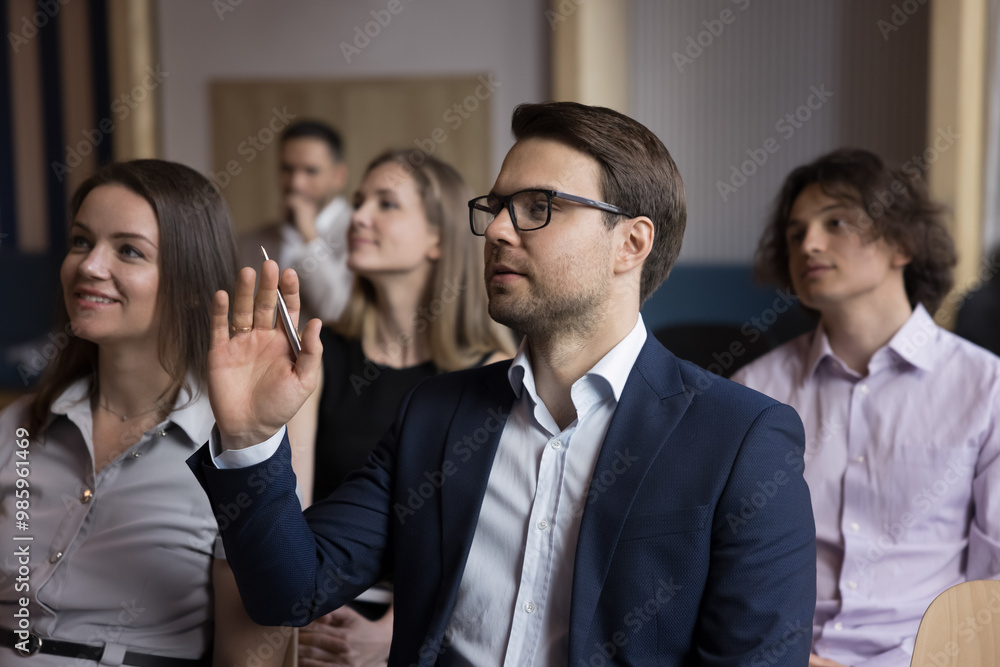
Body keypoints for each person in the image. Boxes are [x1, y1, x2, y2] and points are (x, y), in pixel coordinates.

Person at [190, 102, 817, 666]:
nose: (496, 231)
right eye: (495, 207)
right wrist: (250, 435)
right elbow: (290, 592)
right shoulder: (435, 416)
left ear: (631, 242)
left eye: (538, 207)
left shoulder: (741, 438)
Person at [0, 160, 288, 665]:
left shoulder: (237, 458)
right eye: (81, 241)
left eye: (129, 250)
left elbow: (251, 655)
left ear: (193, 282)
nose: (89, 266)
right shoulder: (17, 426)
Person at [732, 148, 1000, 667]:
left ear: (901, 242)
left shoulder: (986, 387)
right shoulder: (752, 390)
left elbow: (995, 585)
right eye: (795, 233)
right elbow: (732, 565)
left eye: (836, 222)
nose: (809, 243)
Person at [291, 150, 515, 666]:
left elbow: (484, 539)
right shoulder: (318, 353)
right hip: (319, 612)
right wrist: (297, 618)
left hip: (436, 622)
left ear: (438, 238)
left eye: (386, 204)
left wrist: (393, 634)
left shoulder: (495, 371)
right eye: (358, 201)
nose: (359, 217)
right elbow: (292, 506)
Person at [239, 119, 352, 322]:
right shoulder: (249, 242)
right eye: (287, 169)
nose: (296, 183)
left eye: (311, 170)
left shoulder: (359, 233)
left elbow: (337, 312)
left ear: (338, 176)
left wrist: (309, 238)